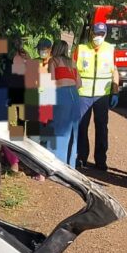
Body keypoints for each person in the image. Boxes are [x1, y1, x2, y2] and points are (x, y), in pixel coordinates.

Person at [75, 22, 120, 170]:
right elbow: (73, 70)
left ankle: (101, 160)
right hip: (83, 94)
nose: (98, 36)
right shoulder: (81, 49)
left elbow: (114, 71)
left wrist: (115, 92)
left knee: (101, 127)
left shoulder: (110, 49)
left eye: (101, 34)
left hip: (102, 96)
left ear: (105, 34)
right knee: (82, 126)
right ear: (91, 33)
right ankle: (81, 157)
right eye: (96, 33)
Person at [48, 39, 79, 167]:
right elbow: (79, 83)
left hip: (61, 94)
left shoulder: (53, 61)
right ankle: (70, 165)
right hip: (75, 96)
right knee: (73, 132)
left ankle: (55, 164)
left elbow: (51, 82)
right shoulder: (72, 63)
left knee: (58, 130)